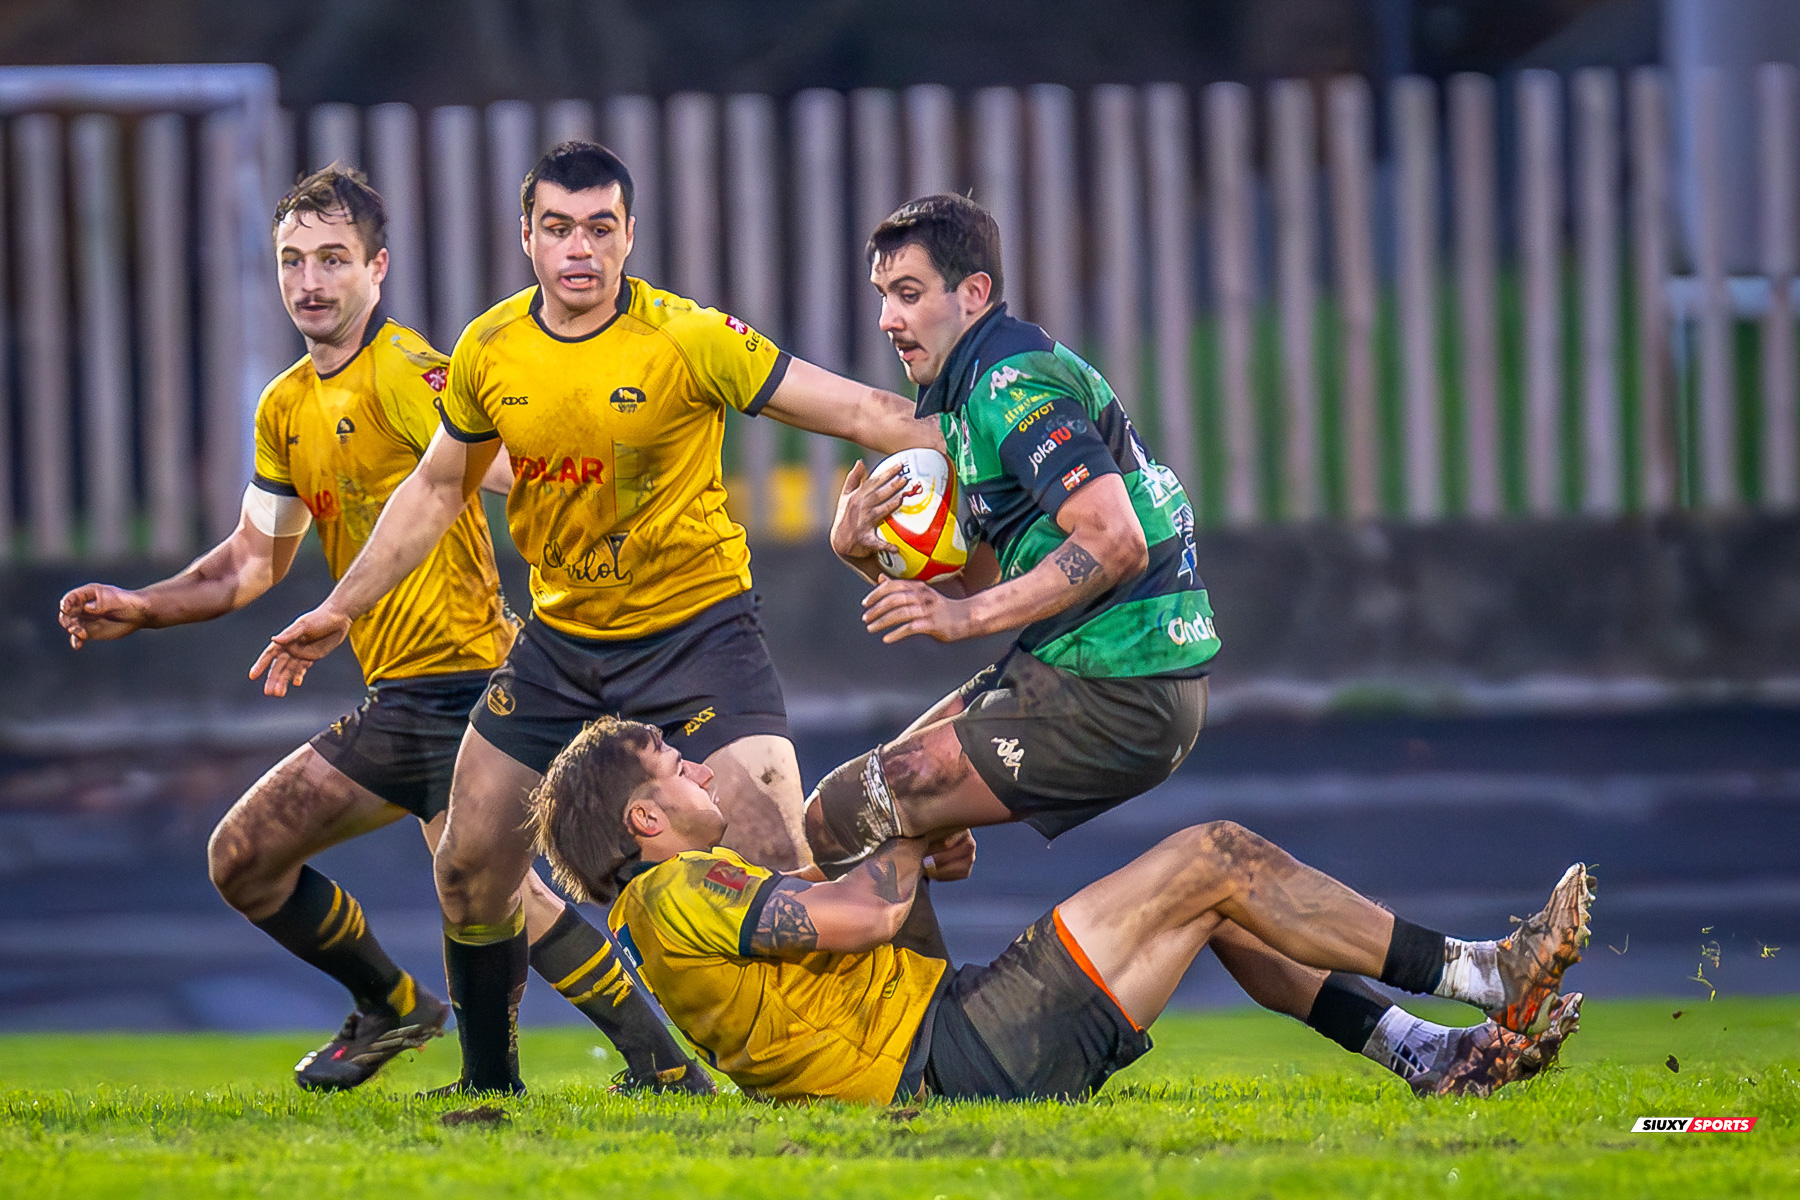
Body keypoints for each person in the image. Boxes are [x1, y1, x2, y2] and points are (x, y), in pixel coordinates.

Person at [248, 143, 941, 1095]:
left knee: (777, 857)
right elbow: (439, 485)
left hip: (698, 637)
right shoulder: (489, 350)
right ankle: (489, 1088)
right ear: (527, 237)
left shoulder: (688, 339)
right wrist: (338, 608)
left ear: (628, 237)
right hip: (561, 647)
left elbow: (864, 410)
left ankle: (879, 1066)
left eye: (601, 229)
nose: (581, 249)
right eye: (560, 229)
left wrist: (1011, 427)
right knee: (468, 866)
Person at [58, 166, 707, 1094]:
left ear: (377, 269)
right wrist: (144, 605)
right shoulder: (285, 406)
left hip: (474, 682)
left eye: (333, 259)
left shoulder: (411, 373)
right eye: (293, 261)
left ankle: (638, 1066)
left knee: (496, 893)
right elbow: (252, 558)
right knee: (249, 861)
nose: (311, 281)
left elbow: (523, 471)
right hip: (396, 697)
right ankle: (406, 1009)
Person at [531, 716, 1590, 1104]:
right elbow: (858, 918)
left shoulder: (668, 913)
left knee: (1219, 904)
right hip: (959, 1057)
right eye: (671, 765)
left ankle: (1424, 1054)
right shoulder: (679, 889)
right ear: (645, 818)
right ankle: (1483, 973)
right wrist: (903, 817)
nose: (693, 767)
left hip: (951, 1050)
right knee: (1213, 857)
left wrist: (909, 851)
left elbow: (844, 910)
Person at [807, 193, 1220, 875]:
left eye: (908, 294)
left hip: (1121, 684)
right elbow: (986, 580)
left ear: (974, 293)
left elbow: (1115, 541)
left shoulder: (1008, 385)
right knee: (869, 825)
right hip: (1083, 663)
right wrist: (861, 555)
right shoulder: (975, 390)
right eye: (883, 296)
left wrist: (963, 617)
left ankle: (918, 989)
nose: (888, 319)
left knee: (844, 817)